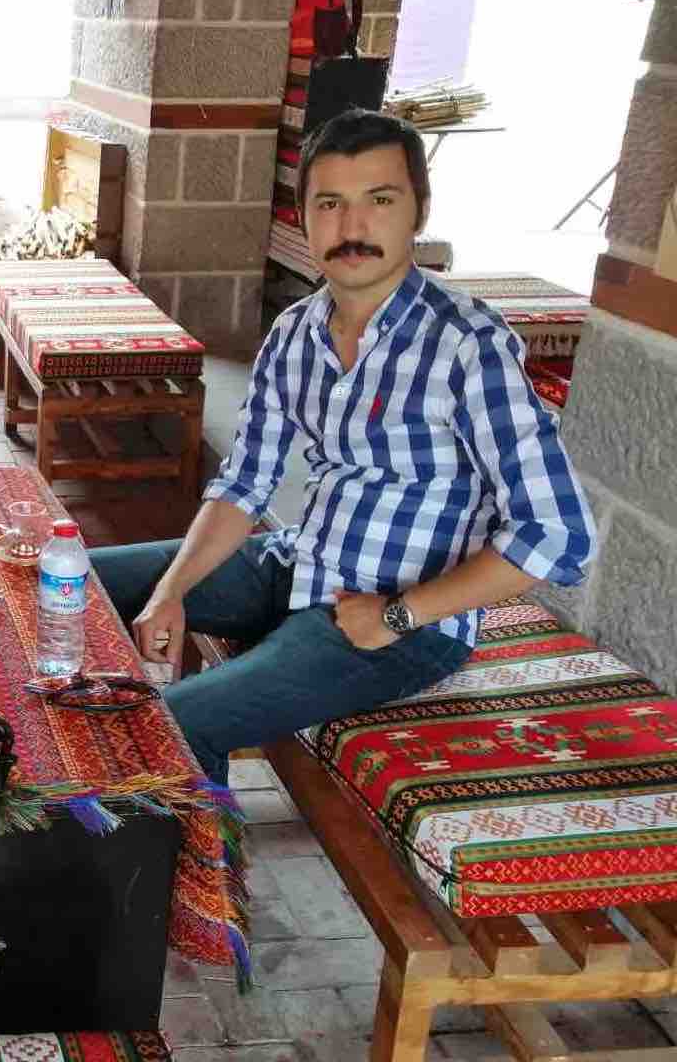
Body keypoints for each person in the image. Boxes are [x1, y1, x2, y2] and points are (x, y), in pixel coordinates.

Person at [92, 109, 597, 786]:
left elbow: (559, 534)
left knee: (174, 725)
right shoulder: (294, 333)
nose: (352, 227)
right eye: (330, 204)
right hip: (297, 562)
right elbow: (244, 484)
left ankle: (192, 855)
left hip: (401, 623)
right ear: (302, 217)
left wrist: (397, 615)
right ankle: (24, 766)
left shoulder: (466, 344)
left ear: (418, 212)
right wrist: (171, 591)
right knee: (75, 580)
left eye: (379, 200)